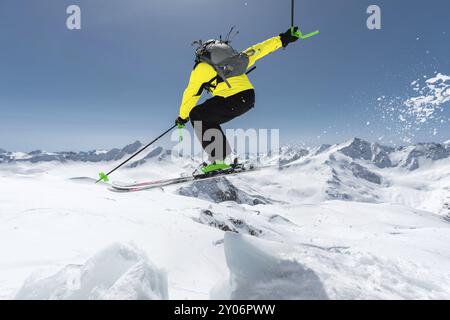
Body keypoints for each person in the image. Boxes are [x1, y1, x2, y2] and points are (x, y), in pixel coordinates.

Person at [175, 27, 300, 173]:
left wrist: (182, 118)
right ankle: (222, 158)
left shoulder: (201, 68)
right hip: (248, 98)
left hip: (231, 99)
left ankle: (219, 160)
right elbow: (259, 49)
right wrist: (283, 39)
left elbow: (190, 94)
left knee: (198, 114)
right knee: (208, 118)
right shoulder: (236, 58)